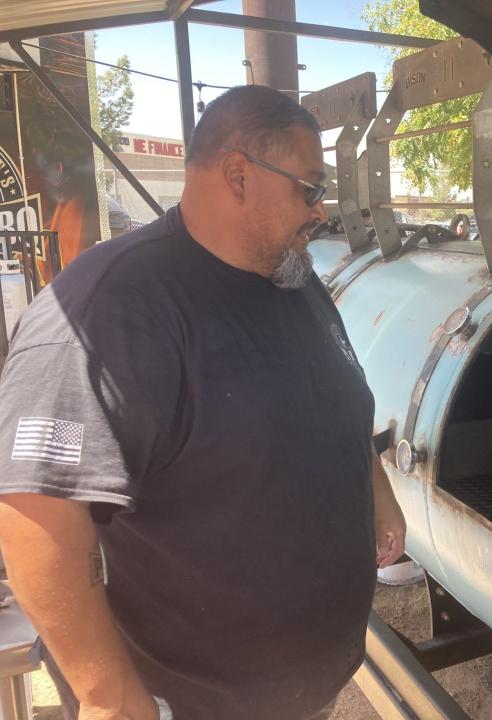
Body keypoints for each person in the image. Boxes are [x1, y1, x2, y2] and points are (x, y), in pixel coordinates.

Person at [0, 84, 406, 720]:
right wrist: (109, 697)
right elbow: (35, 508)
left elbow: (340, 399)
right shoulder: (111, 306)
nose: (319, 210)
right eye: (309, 186)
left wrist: (375, 488)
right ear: (239, 175)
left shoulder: (292, 280)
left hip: (307, 686)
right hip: (193, 699)